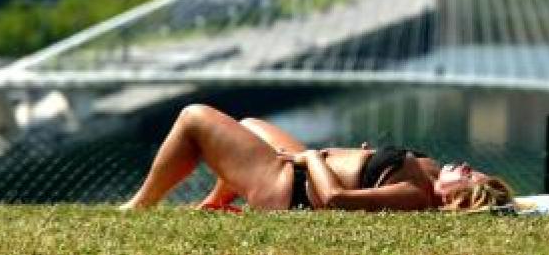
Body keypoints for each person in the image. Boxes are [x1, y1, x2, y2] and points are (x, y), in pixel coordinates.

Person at [120, 104, 513, 212]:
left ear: (455, 199)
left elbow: (336, 201)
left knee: (193, 119)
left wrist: (312, 159)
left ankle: (137, 206)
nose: (464, 166)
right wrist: (367, 161)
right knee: (249, 123)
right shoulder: (425, 176)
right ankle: (217, 202)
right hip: (297, 168)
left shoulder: (416, 194)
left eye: (469, 176)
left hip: (288, 186)